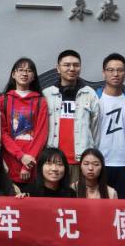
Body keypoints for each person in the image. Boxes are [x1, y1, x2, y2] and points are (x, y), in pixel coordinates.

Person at [42, 50, 100, 181]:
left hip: (80, 161)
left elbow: (95, 129)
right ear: (58, 68)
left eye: (76, 65)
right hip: (53, 161)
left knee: (78, 193)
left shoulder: (90, 94)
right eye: (67, 65)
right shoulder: (47, 94)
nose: (72, 68)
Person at [0, 57, 47, 185]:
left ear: (34, 77)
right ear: (13, 74)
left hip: (32, 162)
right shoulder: (3, 100)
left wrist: (28, 165)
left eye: (29, 71)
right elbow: (2, 133)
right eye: (20, 70)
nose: (24, 73)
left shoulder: (40, 101)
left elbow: (41, 135)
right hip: (9, 161)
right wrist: (21, 156)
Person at [95, 53, 125, 199]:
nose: (115, 74)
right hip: (98, 162)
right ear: (103, 72)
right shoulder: (94, 99)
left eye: (120, 70)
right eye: (111, 70)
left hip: (123, 163)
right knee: (97, 205)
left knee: (121, 206)